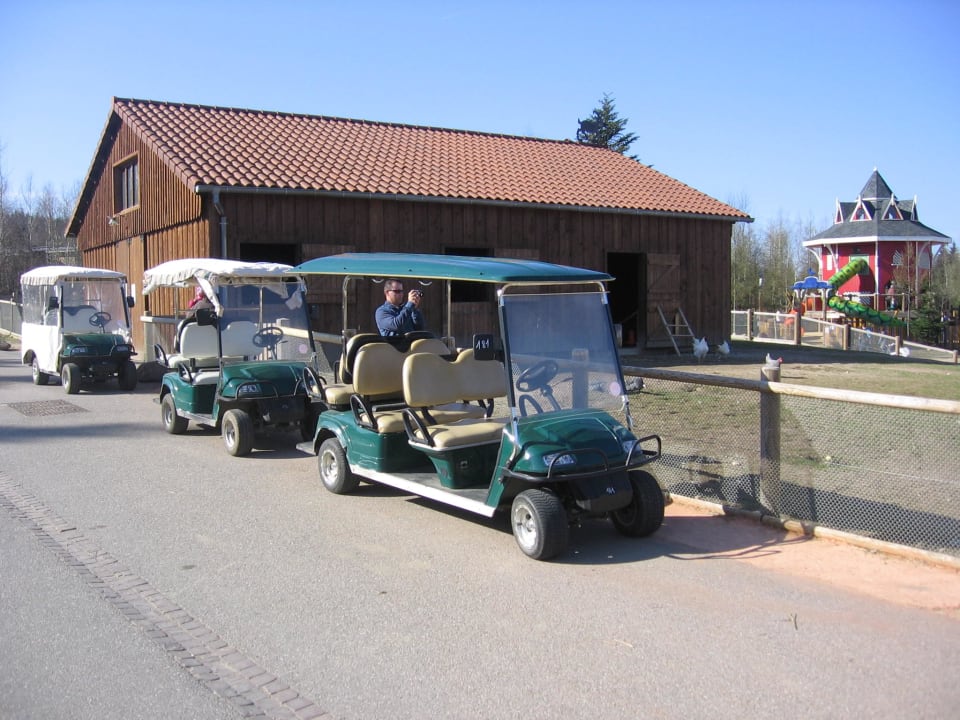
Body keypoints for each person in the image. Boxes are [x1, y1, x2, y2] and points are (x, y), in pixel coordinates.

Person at [175, 286, 214, 351]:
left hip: (195, 344)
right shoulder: (219, 307)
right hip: (215, 344)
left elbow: (188, 316)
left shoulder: (199, 304)